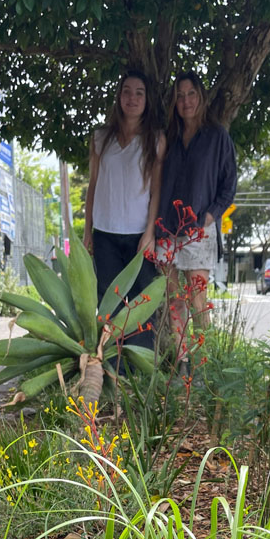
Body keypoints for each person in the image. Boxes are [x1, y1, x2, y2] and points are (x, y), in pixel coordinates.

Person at [156, 71, 237, 363]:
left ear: (200, 97)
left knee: (197, 299)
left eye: (191, 94)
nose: (186, 101)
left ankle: (207, 366)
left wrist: (210, 216)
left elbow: (229, 186)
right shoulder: (170, 137)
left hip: (199, 231)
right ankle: (182, 363)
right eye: (180, 96)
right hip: (166, 231)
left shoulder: (217, 137)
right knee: (174, 301)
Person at [84, 70, 165, 350]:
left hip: (138, 236)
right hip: (105, 233)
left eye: (139, 93)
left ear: (147, 100)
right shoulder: (100, 138)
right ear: (119, 97)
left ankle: (140, 366)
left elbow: (156, 190)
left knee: (142, 304)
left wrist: (150, 232)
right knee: (110, 302)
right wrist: (88, 232)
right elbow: (93, 186)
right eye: (127, 91)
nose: (132, 98)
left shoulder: (155, 140)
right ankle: (113, 366)